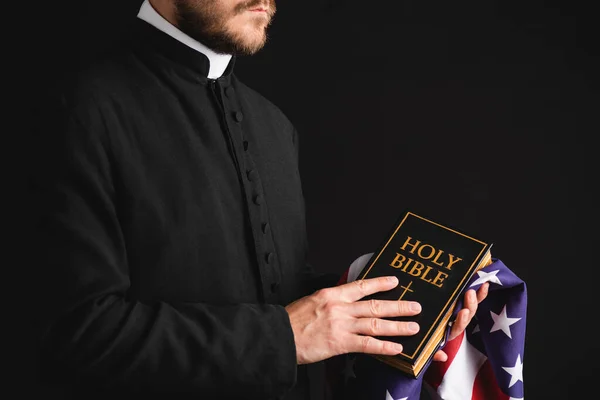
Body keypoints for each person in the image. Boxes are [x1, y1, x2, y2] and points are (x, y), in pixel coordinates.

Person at [29, 1, 488, 399]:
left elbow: (275, 294)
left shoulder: (274, 125)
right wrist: (281, 339)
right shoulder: (78, 107)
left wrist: (401, 302)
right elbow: (75, 333)